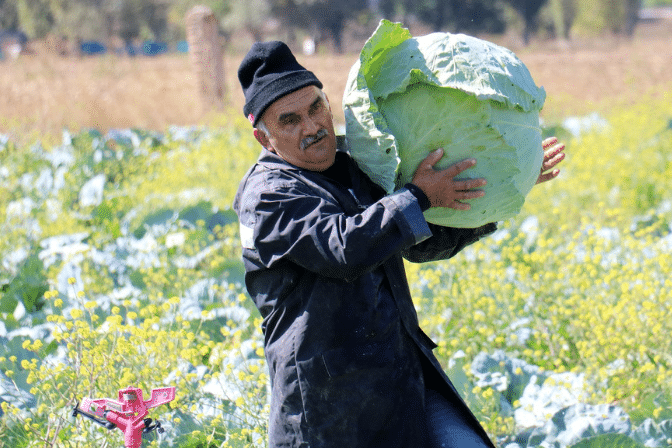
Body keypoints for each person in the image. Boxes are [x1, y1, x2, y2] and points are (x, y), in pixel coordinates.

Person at [231, 41, 565, 448]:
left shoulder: (353, 166)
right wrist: (418, 196)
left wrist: (498, 190)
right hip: (330, 402)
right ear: (264, 138)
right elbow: (343, 249)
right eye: (290, 120)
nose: (312, 126)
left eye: (315, 107)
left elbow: (417, 244)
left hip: (400, 377)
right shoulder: (268, 196)